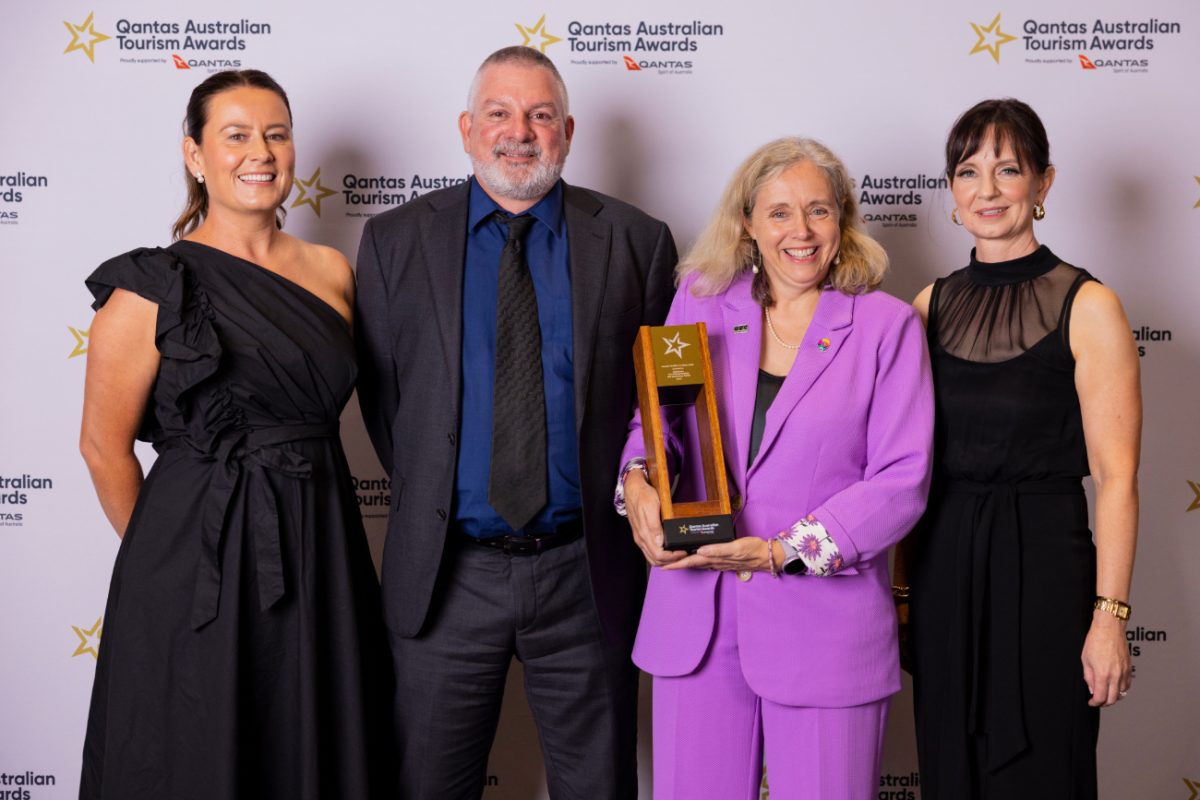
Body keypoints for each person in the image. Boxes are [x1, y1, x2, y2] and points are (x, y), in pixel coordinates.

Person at [354, 46, 676, 798]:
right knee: (429, 783)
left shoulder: (636, 241)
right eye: (499, 113)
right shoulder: (396, 242)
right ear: (468, 129)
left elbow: (661, 409)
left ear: (567, 130)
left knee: (598, 785)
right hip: (445, 574)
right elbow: (384, 400)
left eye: (539, 115)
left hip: (585, 573)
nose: (519, 131)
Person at [78, 70, 392, 799]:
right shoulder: (151, 287)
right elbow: (102, 446)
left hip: (322, 541)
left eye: (276, 134)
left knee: (310, 738)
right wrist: (174, 554)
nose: (261, 152)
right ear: (195, 155)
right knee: (195, 744)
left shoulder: (332, 271)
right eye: (237, 135)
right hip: (201, 560)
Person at [619, 137, 934, 799]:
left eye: (819, 211)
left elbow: (902, 479)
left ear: (841, 223)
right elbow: (657, 427)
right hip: (696, 622)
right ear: (748, 224)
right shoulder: (700, 302)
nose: (801, 230)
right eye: (781, 212)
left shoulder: (887, 326)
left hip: (826, 629)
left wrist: (781, 551)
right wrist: (637, 485)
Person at [900, 98, 1140, 799]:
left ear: (1044, 182)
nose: (988, 190)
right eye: (969, 171)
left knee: (1044, 770)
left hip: (1047, 574)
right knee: (951, 770)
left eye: (1009, 169)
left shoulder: (1090, 306)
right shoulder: (926, 306)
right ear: (951, 190)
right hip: (944, 573)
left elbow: (1117, 479)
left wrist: (1110, 619)